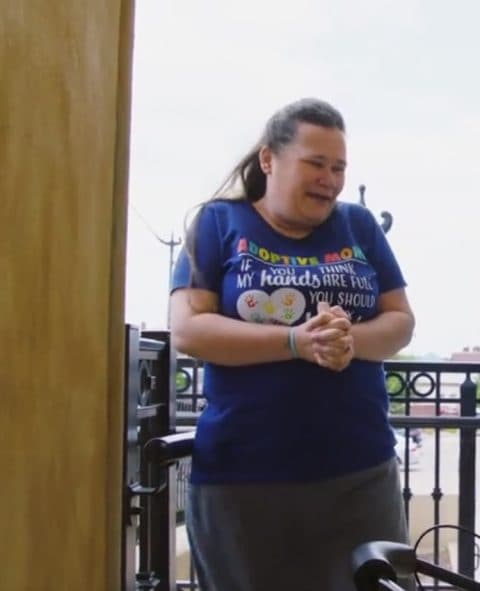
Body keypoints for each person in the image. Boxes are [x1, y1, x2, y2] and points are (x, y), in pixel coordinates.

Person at [169, 98, 415, 591]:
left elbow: (401, 322)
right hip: (245, 481)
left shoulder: (359, 225)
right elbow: (188, 330)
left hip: (361, 472)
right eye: (316, 163)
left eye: (339, 167)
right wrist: (296, 341)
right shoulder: (218, 223)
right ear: (269, 160)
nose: (330, 178)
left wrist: (347, 342)